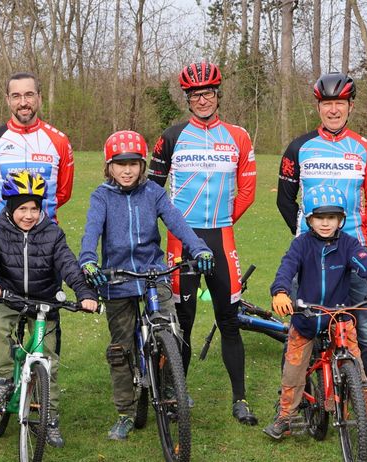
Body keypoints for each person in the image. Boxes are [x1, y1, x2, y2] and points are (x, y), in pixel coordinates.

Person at [275, 73, 367, 430]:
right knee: (301, 330)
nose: (332, 110)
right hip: (310, 251)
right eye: (326, 104)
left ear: (350, 107)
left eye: (339, 104)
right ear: (318, 107)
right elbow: (285, 200)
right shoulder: (299, 147)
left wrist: (356, 238)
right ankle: (289, 403)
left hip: (351, 254)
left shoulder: (366, 148)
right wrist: (307, 239)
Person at [80, 130, 214, 440]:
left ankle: (171, 387)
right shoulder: (101, 196)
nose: (126, 171)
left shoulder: (153, 193)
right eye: (119, 164)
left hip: (153, 275)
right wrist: (88, 259)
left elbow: (177, 221)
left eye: (133, 164)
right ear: (109, 167)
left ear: (142, 166)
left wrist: (199, 248)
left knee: (170, 328)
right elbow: (91, 231)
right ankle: (125, 412)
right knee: (121, 348)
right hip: (116, 278)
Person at [148, 61, 258, 423]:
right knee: (183, 321)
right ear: (188, 99)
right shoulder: (172, 136)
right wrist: (181, 232)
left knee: (229, 321)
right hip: (182, 242)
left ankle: (240, 399)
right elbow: (152, 194)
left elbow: (247, 192)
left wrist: (221, 224)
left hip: (221, 238)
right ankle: (174, 394)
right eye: (196, 95)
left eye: (208, 93)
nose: (203, 100)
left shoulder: (239, 136)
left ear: (217, 94)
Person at [262, 185, 367, 445]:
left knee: (358, 373)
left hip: (340, 318)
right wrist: (280, 292)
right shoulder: (301, 244)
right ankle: (284, 417)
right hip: (306, 318)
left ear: (341, 220)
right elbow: (286, 269)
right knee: (293, 372)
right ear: (309, 220)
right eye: (319, 218)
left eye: (332, 218)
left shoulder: (349, 244)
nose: (326, 224)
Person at [0, 171, 99, 449]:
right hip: (8, 298)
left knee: (48, 362)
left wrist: (85, 293)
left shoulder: (52, 233)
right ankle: (3, 378)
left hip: (45, 303)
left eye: (34, 208)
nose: (28, 215)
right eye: (22, 209)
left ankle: (49, 419)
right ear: (10, 208)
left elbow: (68, 264)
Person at [0, 72, 74, 222]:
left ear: (39, 97)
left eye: (29, 95)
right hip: (0, 236)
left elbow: (63, 193)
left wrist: (36, 215)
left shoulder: (60, 141)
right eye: (16, 96)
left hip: (45, 235)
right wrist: (6, 220)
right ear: (8, 100)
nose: (23, 102)